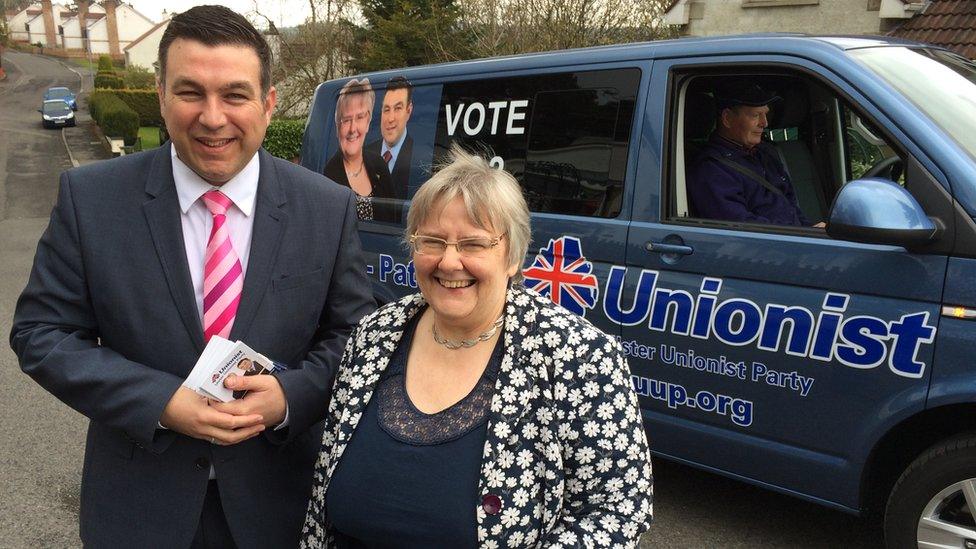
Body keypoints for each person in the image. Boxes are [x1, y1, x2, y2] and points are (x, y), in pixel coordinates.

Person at [9, 6, 374, 548]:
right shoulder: (92, 200)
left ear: (268, 104)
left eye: (234, 94)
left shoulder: (327, 208)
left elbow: (355, 338)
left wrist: (289, 397)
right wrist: (160, 401)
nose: (212, 117)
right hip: (138, 510)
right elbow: (41, 334)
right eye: (190, 93)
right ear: (161, 95)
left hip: (278, 507)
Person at [301, 147, 653, 548]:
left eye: (473, 244)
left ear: (513, 256)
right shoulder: (374, 335)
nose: (449, 262)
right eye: (432, 241)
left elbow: (617, 508)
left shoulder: (580, 355)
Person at [687, 80, 820, 227]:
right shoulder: (711, 170)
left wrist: (811, 230)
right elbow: (742, 229)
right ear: (727, 118)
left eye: (765, 114)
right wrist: (800, 236)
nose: (765, 123)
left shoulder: (765, 154)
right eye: (756, 115)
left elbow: (791, 208)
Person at [323, 78, 398, 222]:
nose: (353, 129)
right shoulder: (328, 176)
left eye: (360, 117)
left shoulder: (378, 163)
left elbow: (394, 216)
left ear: (368, 122)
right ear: (337, 126)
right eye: (346, 120)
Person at [367, 76, 414, 195]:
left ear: (409, 110)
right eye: (386, 109)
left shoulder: (419, 156)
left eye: (398, 108)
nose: (390, 119)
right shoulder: (364, 154)